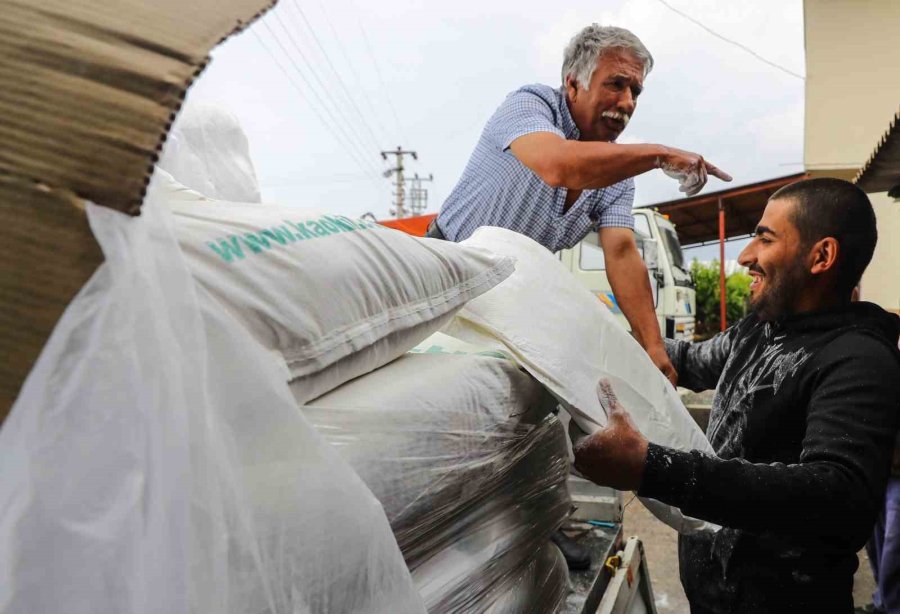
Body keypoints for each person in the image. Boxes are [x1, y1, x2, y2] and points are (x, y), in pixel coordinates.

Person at [572, 178, 900, 613]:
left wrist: (652, 467)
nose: (746, 256)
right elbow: (684, 360)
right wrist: (590, 340)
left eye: (765, 239)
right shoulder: (759, 331)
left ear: (821, 256)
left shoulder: (858, 358)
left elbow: (834, 493)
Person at [428, 24, 732, 386]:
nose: (628, 102)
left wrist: (653, 347)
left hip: (510, 297)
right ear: (573, 84)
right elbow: (560, 167)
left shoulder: (617, 174)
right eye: (616, 84)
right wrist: (660, 154)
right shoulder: (530, 105)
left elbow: (621, 253)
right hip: (444, 270)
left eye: (635, 90)